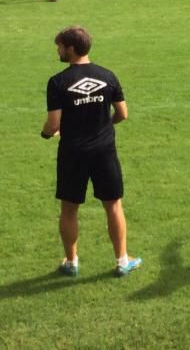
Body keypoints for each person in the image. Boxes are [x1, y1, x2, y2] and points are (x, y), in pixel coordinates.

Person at [40, 26, 141, 277]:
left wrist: (46, 134)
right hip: (104, 152)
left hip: (73, 153)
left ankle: (72, 261)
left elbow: (53, 125)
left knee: (69, 208)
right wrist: (103, 124)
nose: (58, 50)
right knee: (113, 205)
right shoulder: (108, 76)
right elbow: (122, 114)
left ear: (71, 48)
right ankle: (121, 261)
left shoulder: (58, 81)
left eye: (60, 46)